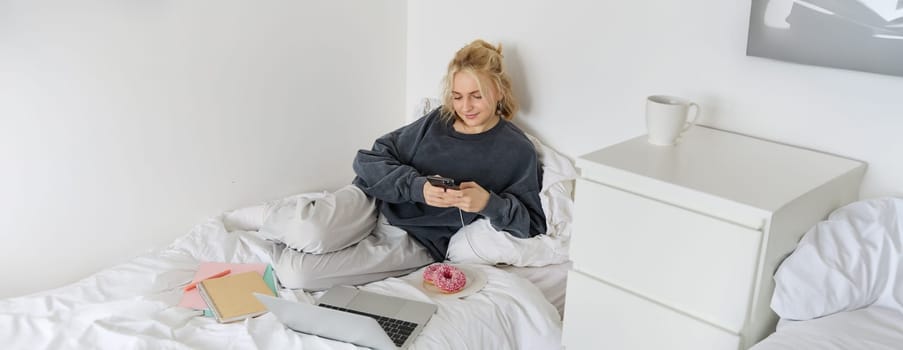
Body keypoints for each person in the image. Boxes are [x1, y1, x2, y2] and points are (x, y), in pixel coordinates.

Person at [266, 39, 546, 291]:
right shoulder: (438, 120)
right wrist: (418, 187)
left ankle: (295, 241)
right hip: (372, 200)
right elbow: (369, 158)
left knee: (296, 276)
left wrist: (488, 203)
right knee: (306, 231)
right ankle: (267, 219)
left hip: (414, 240)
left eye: (477, 95)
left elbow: (532, 223)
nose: (466, 107)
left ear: (499, 91)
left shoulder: (517, 150)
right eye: (458, 96)